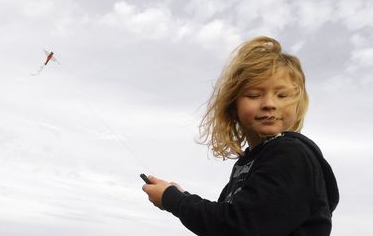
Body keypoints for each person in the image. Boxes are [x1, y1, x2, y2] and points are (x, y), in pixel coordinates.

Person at [142, 36, 339, 236]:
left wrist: (173, 200)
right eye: (254, 94)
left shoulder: (290, 155)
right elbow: (227, 219)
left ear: (297, 106)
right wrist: (180, 196)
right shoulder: (252, 161)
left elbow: (237, 226)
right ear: (233, 106)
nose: (269, 103)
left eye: (282, 95)